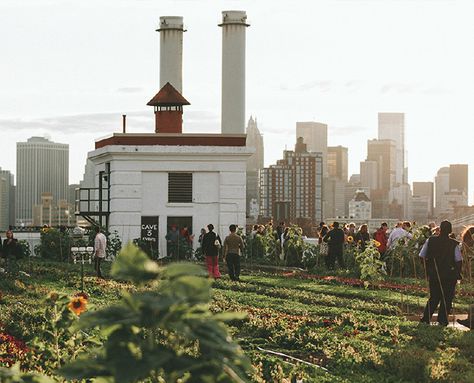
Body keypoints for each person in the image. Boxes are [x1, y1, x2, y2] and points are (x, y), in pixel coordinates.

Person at [419, 220, 462, 326]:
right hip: (449, 275)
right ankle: (442, 320)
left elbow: (422, 256)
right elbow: (459, 260)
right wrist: (457, 273)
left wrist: (428, 269)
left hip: (434, 274)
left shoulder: (431, 241)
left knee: (434, 297)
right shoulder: (454, 244)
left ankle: (425, 319)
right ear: (450, 231)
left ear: (440, 229)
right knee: (447, 298)